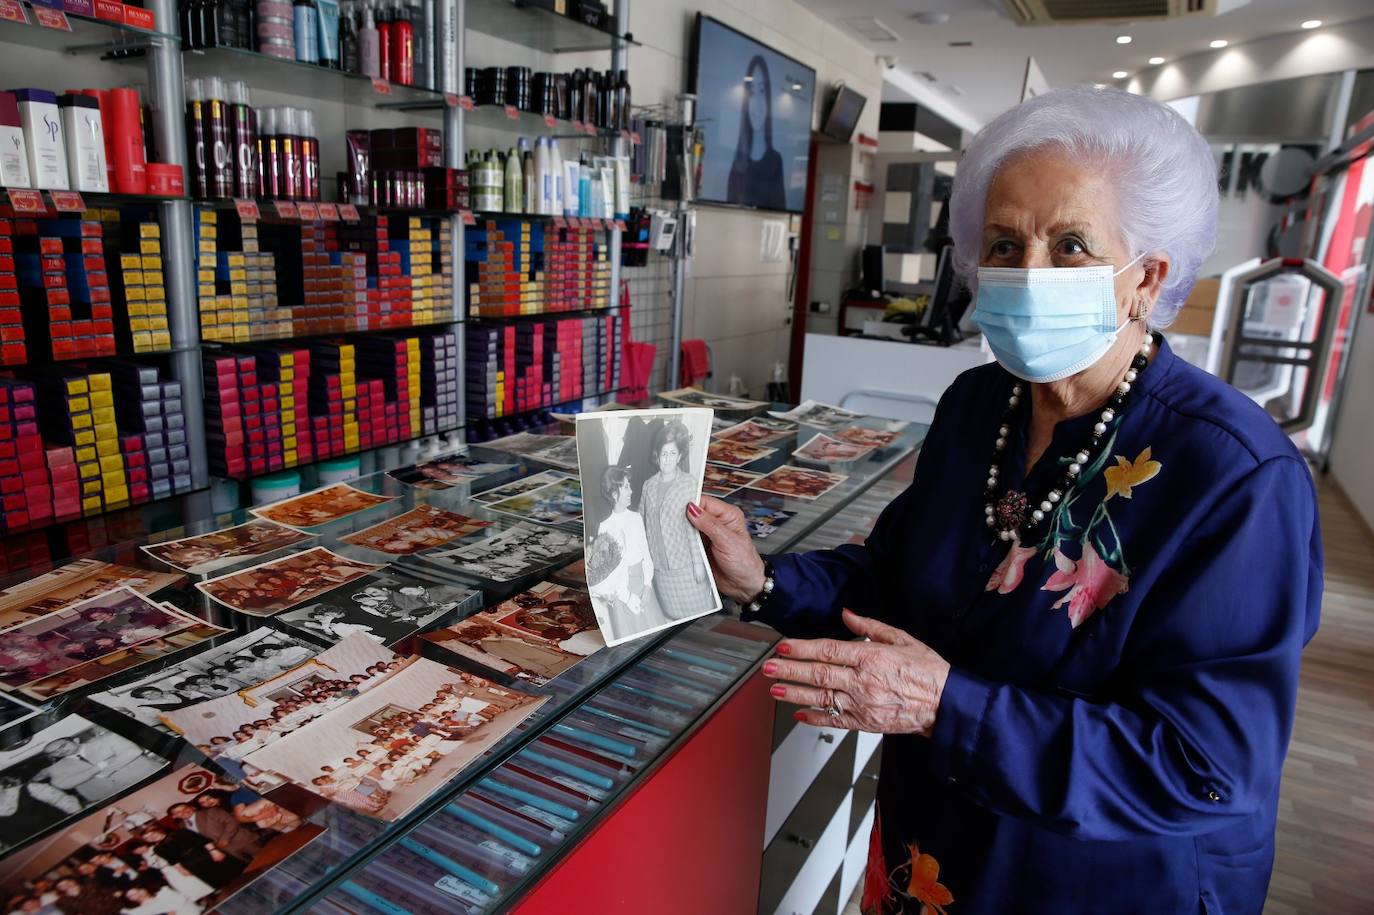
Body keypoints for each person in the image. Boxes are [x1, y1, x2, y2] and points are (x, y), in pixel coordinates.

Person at [687, 86, 1321, 915]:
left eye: (1069, 245)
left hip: (1102, 883)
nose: (1028, 273)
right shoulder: (978, 406)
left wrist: (944, 702)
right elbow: (895, 580)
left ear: (1147, 279)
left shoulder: (1234, 473)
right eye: (1003, 243)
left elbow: (1206, 766)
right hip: (941, 851)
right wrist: (760, 580)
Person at [640, 421, 717, 619]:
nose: (667, 459)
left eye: (672, 454)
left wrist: (698, 564)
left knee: (699, 616)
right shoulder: (648, 486)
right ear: (657, 456)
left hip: (685, 566)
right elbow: (641, 521)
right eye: (663, 454)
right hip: (660, 567)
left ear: (680, 456)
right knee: (672, 616)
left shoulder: (688, 484)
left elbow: (693, 528)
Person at [587, 466, 661, 640]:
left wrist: (648, 586)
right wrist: (626, 597)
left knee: (651, 630)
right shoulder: (604, 527)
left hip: (641, 585)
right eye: (626, 487)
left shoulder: (635, 518)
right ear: (614, 494)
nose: (631, 490)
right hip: (621, 592)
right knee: (629, 636)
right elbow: (605, 571)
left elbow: (646, 555)